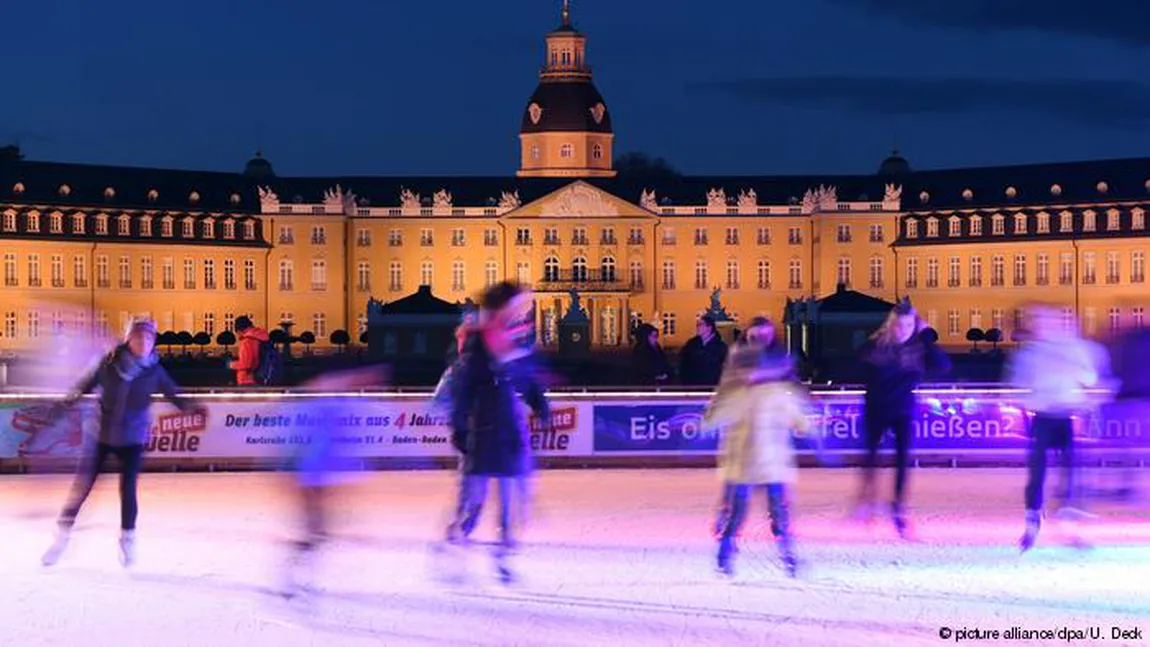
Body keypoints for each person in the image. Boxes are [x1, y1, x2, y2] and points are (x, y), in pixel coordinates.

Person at [42, 318, 206, 567]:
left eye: (150, 338)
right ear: (128, 340)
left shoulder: (155, 371)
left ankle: (128, 538)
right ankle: (62, 537)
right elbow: (84, 386)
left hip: (133, 438)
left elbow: (174, 395)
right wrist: (64, 405)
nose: (144, 342)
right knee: (82, 488)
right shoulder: (108, 364)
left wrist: (192, 408)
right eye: (139, 337)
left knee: (128, 491)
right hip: (101, 435)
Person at [446, 281, 551, 583]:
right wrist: (459, 425)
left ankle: (503, 555)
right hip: (484, 427)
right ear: (505, 305)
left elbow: (528, 379)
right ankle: (456, 545)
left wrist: (540, 405)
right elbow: (464, 386)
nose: (525, 308)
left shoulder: (517, 338)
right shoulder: (479, 341)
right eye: (521, 303)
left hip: (510, 428)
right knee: (473, 503)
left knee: (511, 500)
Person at [705, 316, 806, 577]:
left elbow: (792, 393)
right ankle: (730, 540)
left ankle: (780, 544)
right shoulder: (739, 363)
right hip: (750, 457)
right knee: (739, 501)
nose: (761, 340)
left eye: (766, 335)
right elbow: (724, 392)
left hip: (766, 458)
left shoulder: (774, 371)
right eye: (756, 335)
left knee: (773, 503)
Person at [283, 366, 388, 599]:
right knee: (315, 532)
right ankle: (291, 576)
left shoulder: (334, 405)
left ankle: (296, 575)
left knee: (317, 531)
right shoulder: (329, 405)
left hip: (314, 475)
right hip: (311, 476)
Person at [1006, 303, 1101, 552]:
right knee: (1037, 472)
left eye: (1047, 321)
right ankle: (1032, 520)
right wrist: (1028, 399)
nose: (1042, 326)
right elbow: (1018, 384)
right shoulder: (1030, 354)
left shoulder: (1073, 349)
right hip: (1043, 417)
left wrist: (1075, 371)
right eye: (1037, 322)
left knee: (1071, 470)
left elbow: (1090, 378)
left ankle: (1067, 517)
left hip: (1066, 416)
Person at [855, 300, 950, 538]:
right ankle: (867, 499)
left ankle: (897, 507)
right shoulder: (877, 346)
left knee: (902, 460)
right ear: (891, 324)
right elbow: (856, 367)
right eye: (899, 325)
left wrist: (927, 336)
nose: (903, 330)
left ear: (914, 326)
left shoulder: (918, 348)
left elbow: (943, 366)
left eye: (908, 326)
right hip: (876, 409)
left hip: (902, 411)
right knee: (870, 457)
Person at [679, 315, 728, 387]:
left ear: (709, 327)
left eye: (700, 325)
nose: (697, 327)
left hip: (713, 386)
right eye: (697, 325)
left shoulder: (721, 347)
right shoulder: (691, 345)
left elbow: (725, 366)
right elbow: (683, 362)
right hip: (693, 386)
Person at [230, 315, 271, 386]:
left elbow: (247, 364)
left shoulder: (247, 341)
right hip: (259, 378)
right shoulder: (259, 337)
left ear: (239, 330)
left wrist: (231, 364)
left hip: (247, 380)